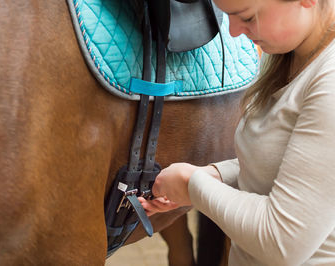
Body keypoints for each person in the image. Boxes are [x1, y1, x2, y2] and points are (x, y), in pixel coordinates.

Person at [139, 0, 335, 265]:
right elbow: (278, 162)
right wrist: (213, 175)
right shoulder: (288, 54)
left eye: (248, 17)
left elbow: (282, 244)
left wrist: (193, 185)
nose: (232, 32)